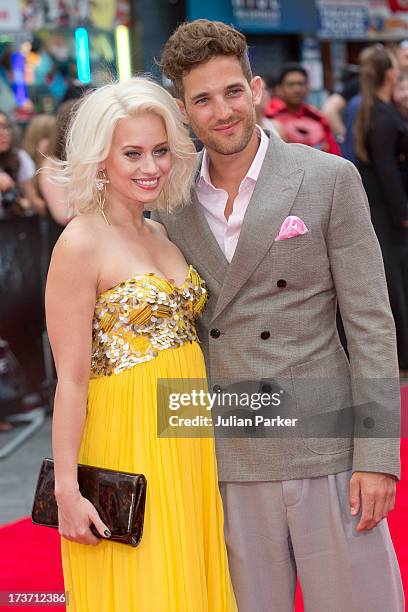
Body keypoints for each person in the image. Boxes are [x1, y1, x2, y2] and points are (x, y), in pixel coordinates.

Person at [155, 19, 404, 611]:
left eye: (232, 91)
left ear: (257, 88)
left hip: (324, 437)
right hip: (223, 443)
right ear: (182, 110)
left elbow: (371, 322)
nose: (223, 111)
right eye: (203, 99)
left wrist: (378, 457)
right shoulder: (169, 201)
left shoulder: (328, 178)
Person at [45, 77, 237, 611]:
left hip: (187, 433)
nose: (150, 166)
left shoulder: (161, 233)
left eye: (159, 151)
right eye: (132, 153)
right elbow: (71, 380)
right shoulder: (80, 242)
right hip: (125, 436)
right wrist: (67, 490)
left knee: (191, 575)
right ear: (99, 158)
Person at [354, 45, 408, 375]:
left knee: (396, 278)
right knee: (395, 281)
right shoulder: (382, 115)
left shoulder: (377, 110)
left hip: (385, 208)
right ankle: (401, 356)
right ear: (390, 74)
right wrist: (402, 211)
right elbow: (387, 170)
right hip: (387, 211)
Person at [265, 63, 341, 155]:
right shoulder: (268, 118)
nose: (297, 89)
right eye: (291, 84)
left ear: (308, 87)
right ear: (279, 89)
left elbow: (334, 154)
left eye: (301, 84)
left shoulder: (318, 118)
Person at [0, 111, 38, 212]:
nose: (2, 133)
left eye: (5, 127)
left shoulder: (20, 157)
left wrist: (23, 202)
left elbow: (32, 199)